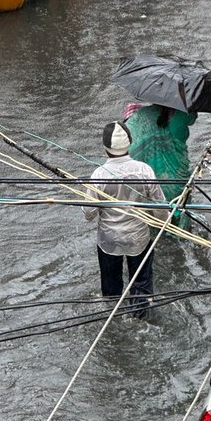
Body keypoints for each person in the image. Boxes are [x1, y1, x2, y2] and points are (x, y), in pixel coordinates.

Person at [84, 121, 164, 317]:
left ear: (105, 147)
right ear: (130, 143)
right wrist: (164, 224)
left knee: (111, 290)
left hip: (109, 240)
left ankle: (114, 316)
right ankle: (140, 318)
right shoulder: (144, 170)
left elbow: (88, 213)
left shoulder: (99, 175)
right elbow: (160, 206)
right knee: (141, 285)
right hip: (139, 237)